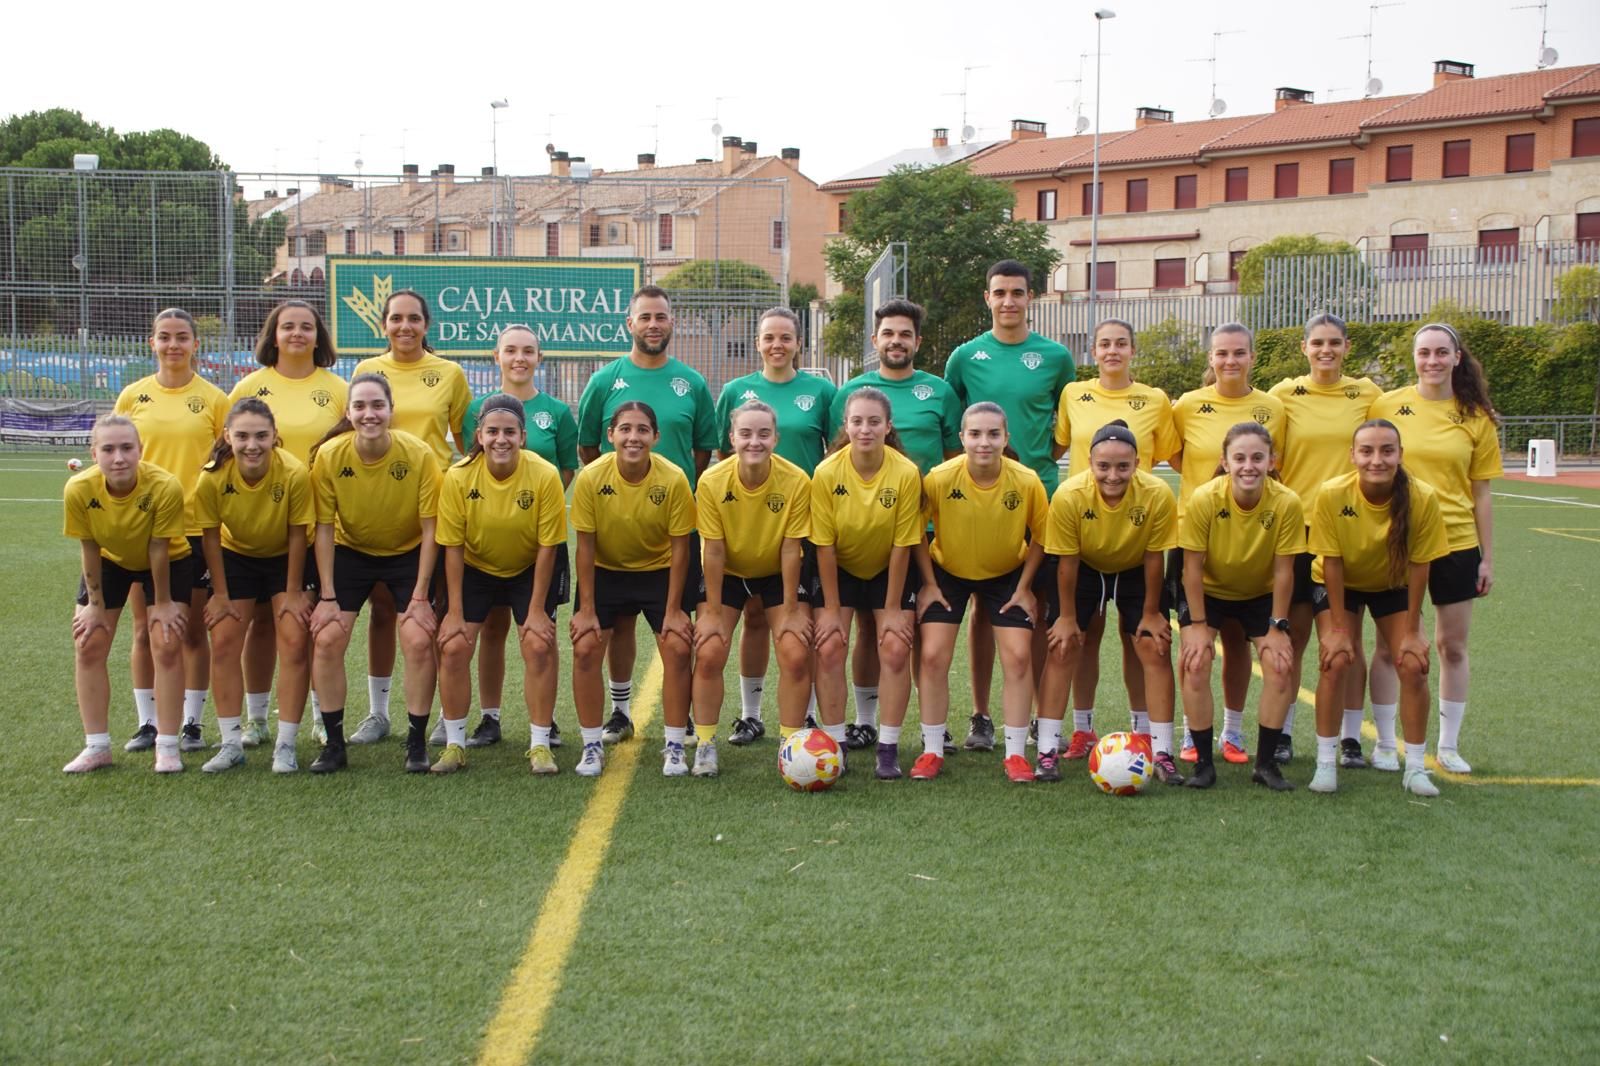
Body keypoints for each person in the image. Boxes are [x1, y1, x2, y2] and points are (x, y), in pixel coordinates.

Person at [576, 286, 717, 749]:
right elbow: (588, 448)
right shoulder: (605, 380)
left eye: (661, 316)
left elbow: (702, 449)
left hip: (674, 525)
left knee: (679, 628)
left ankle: (687, 718)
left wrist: (672, 488)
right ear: (629, 325)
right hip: (617, 523)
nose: (653, 324)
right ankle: (619, 710)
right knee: (616, 627)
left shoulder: (691, 382)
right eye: (645, 317)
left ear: (671, 323)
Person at [944, 261, 1075, 753]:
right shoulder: (966, 356)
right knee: (982, 604)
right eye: (999, 293)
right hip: (978, 498)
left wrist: (1036, 461)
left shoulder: (1056, 357)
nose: (1008, 302)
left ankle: (1040, 715)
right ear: (987, 298)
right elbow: (954, 423)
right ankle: (980, 715)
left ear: (1030, 298)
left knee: (1036, 608)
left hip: (1038, 492)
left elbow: (1064, 423)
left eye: (1017, 293)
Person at [828, 299, 961, 751]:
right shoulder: (853, 390)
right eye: (889, 334)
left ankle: (933, 725)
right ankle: (866, 721)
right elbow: (837, 453)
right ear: (875, 340)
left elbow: (951, 459)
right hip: (862, 531)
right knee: (869, 628)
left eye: (905, 334)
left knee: (921, 632)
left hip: (923, 533)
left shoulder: (939, 391)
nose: (897, 341)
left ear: (917, 342)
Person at [1368, 323, 1500, 773]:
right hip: (1398, 542)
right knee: (1392, 647)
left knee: (1451, 646)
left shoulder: (1475, 416)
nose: (1432, 361)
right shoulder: (1388, 404)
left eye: (1442, 352)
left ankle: (1447, 745)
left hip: (1457, 543)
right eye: (1424, 352)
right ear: (1414, 357)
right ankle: (1386, 743)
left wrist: (1487, 556)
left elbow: (1480, 492)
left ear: (1457, 357)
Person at [1049, 318, 1180, 757]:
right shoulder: (1074, 394)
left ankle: (1143, 730)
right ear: (1092, 349)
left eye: (1121, 343)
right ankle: (1081, 727)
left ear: (1133, 348)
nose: (1112, 350)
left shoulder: (1155, 399)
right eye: (1104, 343)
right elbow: (1057, 447)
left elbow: (1172, 454)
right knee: (1081, 635)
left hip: (1133, 534)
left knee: (1139, 636)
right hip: (1084, 537)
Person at [348, 290, 471, 747]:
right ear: (384, 325)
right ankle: (378, 714)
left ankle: (443, 713)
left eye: (414, 319)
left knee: (431, 611)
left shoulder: (449, 374)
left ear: (426, 325)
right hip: (378, 504)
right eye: (396, 319)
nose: (405, 327)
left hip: (432, 508)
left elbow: (465, 441)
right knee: (382, 611)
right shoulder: (366, 371)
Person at [306, 374, 442, 774]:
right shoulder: (330, 456)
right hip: (351, 553)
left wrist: (420, 595)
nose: (370, 414)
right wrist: (327, 596)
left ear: (391, 410)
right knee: (328, 637)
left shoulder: (417, 454)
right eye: (360, 407)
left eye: (377, 406)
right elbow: (325, 528)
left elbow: (432, 527)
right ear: (348, 413)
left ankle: (416, 742)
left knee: (418, 639)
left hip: (407, 553)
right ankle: (334, 744)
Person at [712, 307, 835, 745]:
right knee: (753, 619)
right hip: (751, 522)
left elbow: (834, 451)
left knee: (800, 624)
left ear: (799, 343)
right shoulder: (735, 390)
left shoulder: (820, 390)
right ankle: (750, 714)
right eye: (768, 337)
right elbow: (726, 457)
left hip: (802, 524)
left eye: (785, 337)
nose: (777, 345)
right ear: (759, 342)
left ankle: (806, 715)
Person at [453, 325, 579, 751]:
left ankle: (547, 721)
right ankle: (490, 718)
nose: (519, 358)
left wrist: (531, 504)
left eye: (528, 351)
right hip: (486, 538)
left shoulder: (557, 411)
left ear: (539, 358)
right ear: (497, 356)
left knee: (540, 631)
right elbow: (472, 459)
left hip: (538, 535)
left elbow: (565, 468)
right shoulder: (476, 409)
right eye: (511, 350)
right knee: (491, 628)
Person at [1307, 420, 1449, 796]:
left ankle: (1416, 768)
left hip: (1393, 584)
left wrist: (1415, 631)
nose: (1377, 459)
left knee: (1414, 664)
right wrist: (1338, 629)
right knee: (1336, 661)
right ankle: (1325, 762)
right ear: (1352, 455)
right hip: (1340, 583)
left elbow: (1421, 565)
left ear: (1400, 455)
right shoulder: (1332, 493)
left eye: (1387, 450)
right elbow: (1332, 562)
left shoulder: (1422, 497)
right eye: (1367, 451)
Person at [229, 300, 347, 749]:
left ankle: (321, 713)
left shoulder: (336, 388)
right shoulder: (251, 387)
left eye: (306, 327)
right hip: (257, 524)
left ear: (319, 337)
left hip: (316, 525)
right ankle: (255, 718)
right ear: (272, 335)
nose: (297, 334)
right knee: (259, 624)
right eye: (287, 327)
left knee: (309, 624)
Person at [1037, 421, 1181, 783]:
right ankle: (1048, 750)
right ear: (1089, 462)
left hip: (1134, 567)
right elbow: (1066, 562)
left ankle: (1159, 748)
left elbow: (1153, 557)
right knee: (1063, 646)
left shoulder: (1157, 493)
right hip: (1084, 568)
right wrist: (1066, 617)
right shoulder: (1070, 495)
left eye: (1123, 466)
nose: (1113, 475)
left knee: (1155, 646)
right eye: (1103, 466)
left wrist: (1151, 613)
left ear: (1137, 463)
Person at [113, 307, 228, 755]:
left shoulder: (215, 400)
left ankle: (192, 724)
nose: (174, 345)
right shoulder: (133, 396)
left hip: (195, 527)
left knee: (193, 629)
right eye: (165, 337)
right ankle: (147, 722)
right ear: (152, 343)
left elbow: (225, 461)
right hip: (143, 528)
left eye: (182, 337)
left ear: (195, 345)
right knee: (144, 627)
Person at [1171, 323, 1286, 765]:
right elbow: (1178, 456)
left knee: (1238, 642)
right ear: (1211, 358)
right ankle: (1191, 734)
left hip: (1252, 534)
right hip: (1196, 534)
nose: (1230, 361)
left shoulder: (1272, 407)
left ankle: (1234, 734)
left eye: (1239, 352)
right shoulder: (1188, 406)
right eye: (1221, 353)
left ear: (1252, 357)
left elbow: (1274, 464)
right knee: (1196, 643)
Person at [914, 403, 1048, 783]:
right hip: (949, 573)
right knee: (933, 655)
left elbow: (1041, 536)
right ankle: (932, 750)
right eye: (975, 434)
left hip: (1006, 575)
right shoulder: (939, 478)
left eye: (993, 434)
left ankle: (1017, 754)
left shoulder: (1025, 480)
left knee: (1020, 657)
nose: (984, 442)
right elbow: (913, 532)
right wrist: (927, 583)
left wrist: (1024, 588)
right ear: (962, 438)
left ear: (1006, 438)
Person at [434, 394, 568, 775]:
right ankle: (455, 745)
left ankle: (541, 745)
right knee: (455, 644)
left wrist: (538, 610)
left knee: (539, 644)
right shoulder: (459, 476)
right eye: (492, 431)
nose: (501, 439)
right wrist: (454, 613)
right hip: (476, 567)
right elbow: (453, 548)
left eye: (509, 431)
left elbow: (548, 547)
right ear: (479, 434)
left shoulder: (544, 475)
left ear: (523, 436)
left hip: (529, 567)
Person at [1268, 313, 1380, 766]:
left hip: (1348, 531)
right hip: (1298, 531)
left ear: (1347, 347)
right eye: (1318, 342)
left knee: (1345, 636)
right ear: (1304, 347)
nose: (1326, 350)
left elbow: (1379, 449)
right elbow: (1268, 458)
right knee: (1291, 637)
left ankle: (1351, 738)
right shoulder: (1283, 395)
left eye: (1334, 342)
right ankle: (1283, 732)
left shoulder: (1367, 394)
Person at [569, 402, 697, 776]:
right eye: (625, 429)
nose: (633, 437)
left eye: (642, 430)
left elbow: (680, 549)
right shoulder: (592, 477)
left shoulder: (673, 479)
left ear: (656, 437)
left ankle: (674, 746)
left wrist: (674, 610)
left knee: (676, 645)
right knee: (586, 645)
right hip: (606, 571)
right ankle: (592, 745)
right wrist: (587, 608)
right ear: (610, 435)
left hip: (658, 571)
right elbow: (585, 546)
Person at [1176, 423, 1304, 791]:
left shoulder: (1286, 503)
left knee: (1280, 665)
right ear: (1225, 461)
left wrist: (1278, 625)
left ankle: (1265, 766)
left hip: (1259, 594)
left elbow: (1283, 571)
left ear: (1272, 461)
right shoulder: (1205, 499)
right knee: (1196, 659)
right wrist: (1198, 624)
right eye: (1240, 458)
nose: (1249, 466)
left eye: (1258, 458)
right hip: (1209, 591)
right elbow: (1192, 569)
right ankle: (1202, 764)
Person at [62, 415, 193, 773]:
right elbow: (89, 547)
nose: (118, 457)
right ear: (93, 453)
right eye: (108, 449)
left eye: (126, 448)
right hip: (110, 560)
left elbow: (158, 549)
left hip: (167, 561)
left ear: (140, 450)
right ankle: (97, 746)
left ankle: (167, 746)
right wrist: (94, 604)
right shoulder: (79, 488)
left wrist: (163, 603)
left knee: (166, 641)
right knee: (88, 641)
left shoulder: (164, 486)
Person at [692, 401, 814, 776]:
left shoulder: (797, 481)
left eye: (763, 434)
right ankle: (705, 744)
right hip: (728, 571)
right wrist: (712, 612)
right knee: (710, 651)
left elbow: (793, 548)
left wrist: (792, 608)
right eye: (745, 434)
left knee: (794, 651)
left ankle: (791, 745)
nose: (754, 441)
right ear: (731, 439)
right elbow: (712, 550)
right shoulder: (712, 481)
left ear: (776, 437)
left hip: (777, 570)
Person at [192, 398, 314, 773]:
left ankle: (286, 744)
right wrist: (222, 595)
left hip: (286, 556)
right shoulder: (212, 476)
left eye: (261, 435)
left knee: (294, 638)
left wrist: (293, 593)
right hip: (237, 557)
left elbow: (297, 536)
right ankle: (231, 743)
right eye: (242, 436)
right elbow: (211, 538)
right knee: (225, 639)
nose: (252, 445)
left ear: (275, 436)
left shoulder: (293, 473)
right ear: (227, 435)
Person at [811, 388, 923, 780]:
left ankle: (888, 749)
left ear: (888, 426)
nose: (865, 429)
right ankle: (836, 745)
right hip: (838, 568)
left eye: (874, 421)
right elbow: (823, 547)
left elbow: (902, 544)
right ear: (845, 426)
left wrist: (892, 609)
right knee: (828, 646)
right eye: (857, 421)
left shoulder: (906, 473)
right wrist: (829, 610)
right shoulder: (826, 472)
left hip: (886, 569)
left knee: (894, 648)